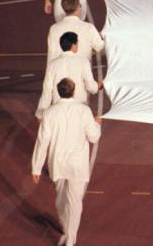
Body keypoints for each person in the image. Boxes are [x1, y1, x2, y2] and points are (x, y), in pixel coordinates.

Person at [32, 78, 102, 246]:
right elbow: (94, 137)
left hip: (57, 163)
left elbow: (42, 141)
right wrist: (97, 124)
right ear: (74, 91)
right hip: (77, 164)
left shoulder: (49, 113)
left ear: (58, 91)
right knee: (74, 201)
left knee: (62, 199)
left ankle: (68, 234)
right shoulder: (84, 111)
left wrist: (37, 168)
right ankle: (70, 233)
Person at [36, 32, 102, 120]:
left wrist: (40, 112)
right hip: (79, 109)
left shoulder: (53, 64)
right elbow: (91, 87)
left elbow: (47, 90)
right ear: (74, 45)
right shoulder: (83, 62)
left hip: (58, 109)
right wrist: (100, 86)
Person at [47, 0, 104, 64]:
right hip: (83, 72)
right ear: (78, 8)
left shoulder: (53, 29)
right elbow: (99, 46)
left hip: (62, 72)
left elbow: (51, 57)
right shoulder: (88, 27)